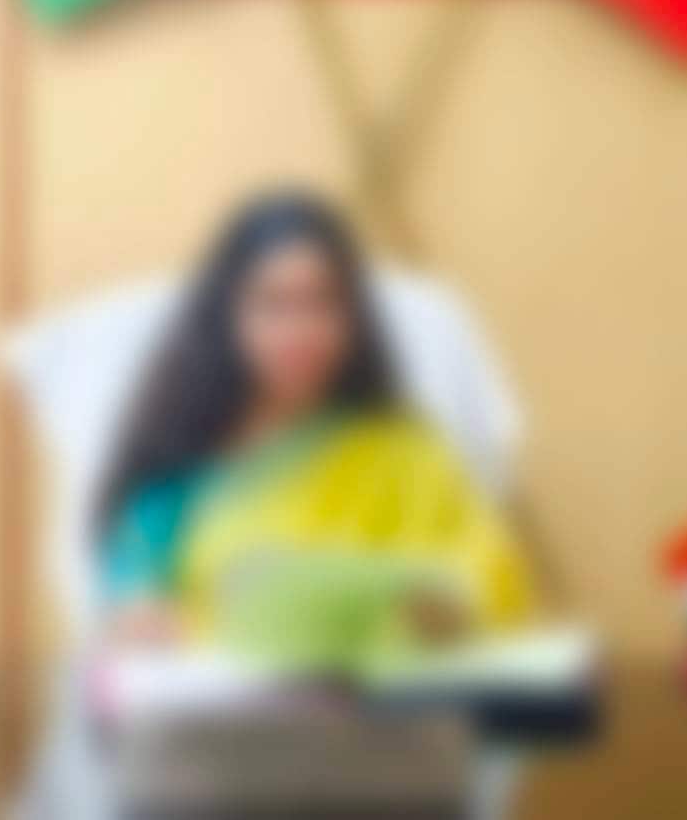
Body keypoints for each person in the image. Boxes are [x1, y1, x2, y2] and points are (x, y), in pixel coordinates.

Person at [93, 189, 535, 661]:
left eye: (322, 303)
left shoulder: (404, 451)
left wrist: (429, 610)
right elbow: (135, 582)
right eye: (274, 304)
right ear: (228, 316)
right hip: (219, 691)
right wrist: (142, 614)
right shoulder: (183, 458)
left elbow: (493, 573)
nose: (300, 330)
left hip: (386, 692)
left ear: (352, 318)